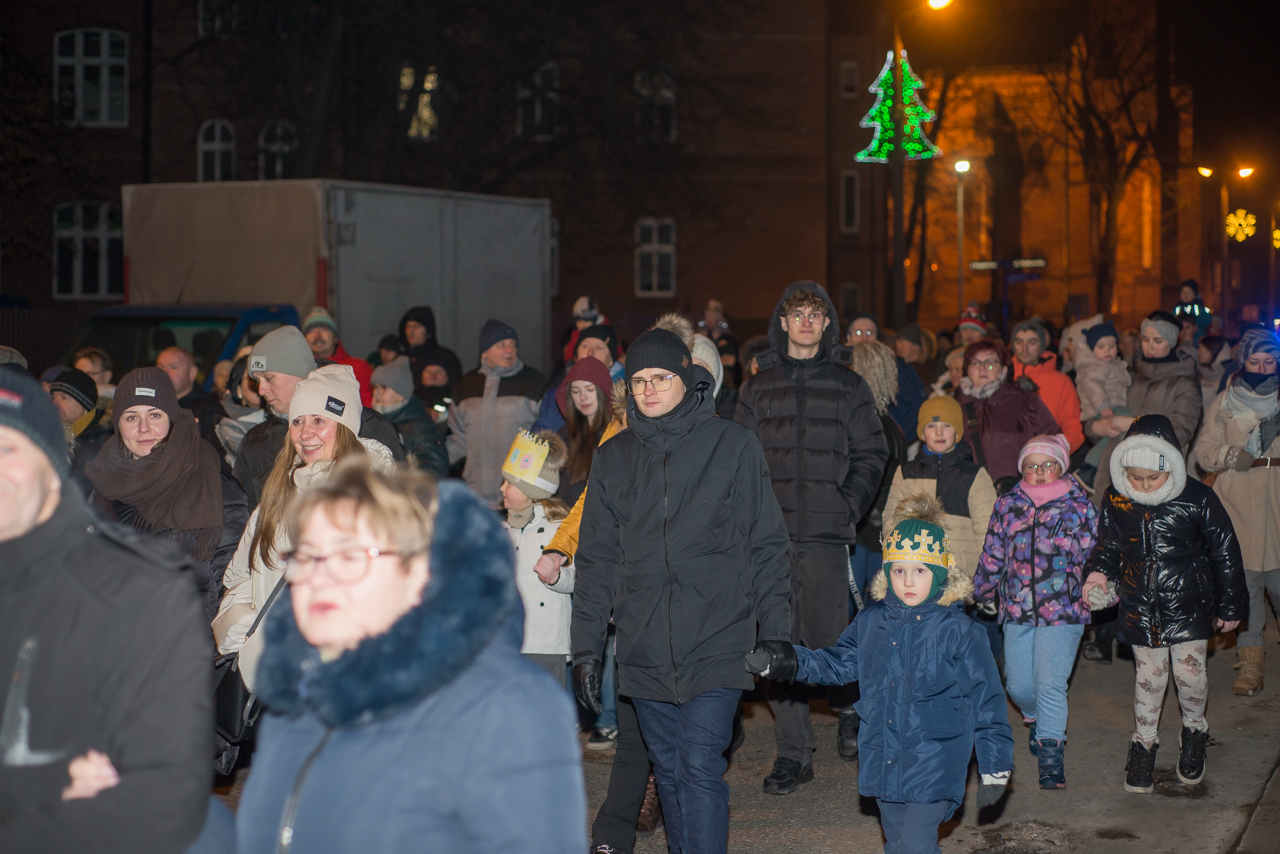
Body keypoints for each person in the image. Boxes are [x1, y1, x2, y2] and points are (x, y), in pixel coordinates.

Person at [224, 465, 586, 853]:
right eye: (308, 554)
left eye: (348, 555)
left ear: (414, 574)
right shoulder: (300, 692)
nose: (319, 577)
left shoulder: (501, 707)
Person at [573, 328, 790, 854]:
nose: (648, 390)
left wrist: (778, 632)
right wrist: (585, 649)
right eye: (639, 381)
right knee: (668, 770)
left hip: (717, 634)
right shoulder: (615, 456)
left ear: (686, 378)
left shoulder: (731, 444)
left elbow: (767, 542)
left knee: (697, 768)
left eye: (660, 378)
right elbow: (597, 557)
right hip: (644, 640)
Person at [0, 369, 211, 852]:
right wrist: (43, 783)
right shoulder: (105, 484)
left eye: (9, 448)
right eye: (131, 417)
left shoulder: (137, 592)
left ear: (52, 467)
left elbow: (161, 793)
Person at [748, 495, 1014, 854]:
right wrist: (789, 662)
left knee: (916, 845)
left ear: (937, 574)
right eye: (898, 569)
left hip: (935, 757)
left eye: (920, 570)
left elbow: (987, 699)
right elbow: (839, 662)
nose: (907, 581)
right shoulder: (872, 621)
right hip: (884, 753)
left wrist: (995, 762)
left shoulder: (961, 631)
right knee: (896, 842)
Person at [737, 281, 888, 791]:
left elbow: (873, 452)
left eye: (814, 314)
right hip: (770, 540)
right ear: (781, 322)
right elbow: (738, 462)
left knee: (833, 646)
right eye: (795, 313)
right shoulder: (757, 387)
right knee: (777, 646)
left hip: (825, 538)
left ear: (827, 325)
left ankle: (867, 731)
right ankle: (794, 754)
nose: (805, 321)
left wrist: (847, 505)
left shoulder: (849, 386)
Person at [1083, 415, 1247, 792]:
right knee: (1149, 679)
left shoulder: (1197, 497)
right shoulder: (1117, 498)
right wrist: (1098, 575)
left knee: (1190, 677)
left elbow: (1224, 551)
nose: (1142, 485)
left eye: (1151, 478)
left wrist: (1231, 605)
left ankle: (1194, 731)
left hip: (1189, 605)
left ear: (1169, 464)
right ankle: (1143, 742)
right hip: (1141, 606)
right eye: (1135, 477)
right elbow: (1107, 547)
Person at [214, 365, 396, 689]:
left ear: (344, 428)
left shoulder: (371, 500)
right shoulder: (276, 496)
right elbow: (238, 577)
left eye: (319, 420)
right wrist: (251, 640)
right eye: (297, 421)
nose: (305, 433)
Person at [974, 434, 1096, 789]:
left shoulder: (1080, 508)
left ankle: (1051, 759)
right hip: (1018, 609)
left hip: (1065, 611)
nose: (1039, 472)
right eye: (1031, 466)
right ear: (1021, 470)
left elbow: (1098, 555)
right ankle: (1036, 719)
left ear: (1061, 467)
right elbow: (994, 551)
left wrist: (1102, 586)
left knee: (1050, 684)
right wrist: (980, 586)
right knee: (1019, 684)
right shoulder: (1008, 505)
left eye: (1047, 465)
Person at [85, 368, 249, 622]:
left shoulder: (217, 489)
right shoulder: (103, 487)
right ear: (118, 426)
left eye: (154, 415)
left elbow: (234, 591)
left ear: (171, 419)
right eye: (131, 417)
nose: (143, 428)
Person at [1193, 329, 1280, 696]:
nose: (1262, 368)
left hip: (1277, 501)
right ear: (1243, 362)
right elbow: (1203, 449)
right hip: (1237, 502)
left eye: (1269, 361)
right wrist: (1227, 455)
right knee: (1244, 590)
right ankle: (1251, 666)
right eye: (1254, 362)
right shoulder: (1226, 400)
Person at [233, 326, 404, 508]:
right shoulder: (255, 441)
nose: (261, 390)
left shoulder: (368, 426)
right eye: (257, 381)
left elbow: (403, 502)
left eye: (269, 377)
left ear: (298, 373)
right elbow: (242, 514)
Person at [1086, 310, 1201, 506]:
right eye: (1145, 339)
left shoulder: (1184, 384)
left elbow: (1180, 432)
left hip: (1158, 479)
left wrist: (1132, 424)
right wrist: (1095, 428)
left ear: (1172, 341)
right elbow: (1100, 410)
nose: (1149, 347)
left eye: (1158, 341)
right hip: (1115, 475)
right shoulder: (1130, 375)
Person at [884, 396, 996, 581]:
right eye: (931, 426)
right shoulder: (905, 474)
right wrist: (898, 562)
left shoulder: (974, 475)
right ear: (921, 433)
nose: (938, 432)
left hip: (960, 577)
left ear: (958, 432)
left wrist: (983, 578)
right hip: (914, 575)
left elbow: (987, 530)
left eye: (946, 426)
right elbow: (892, 522)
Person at [500, 430, 574, 680]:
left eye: (510, 483)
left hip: (544, 643)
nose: (502, 488)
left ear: (531, 489)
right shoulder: (501, 531)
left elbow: (579, 578)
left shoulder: (560, 529)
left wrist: (556, 577)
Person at [446, 319, 546, 506]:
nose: (510, 350)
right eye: (501, 345)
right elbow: (458, 440)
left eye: (513, 345)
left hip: (519, 496)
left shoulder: (534, 383)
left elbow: (545, 437)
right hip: (474, 494)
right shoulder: (466, 386)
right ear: (484, 351)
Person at [847, 339, 910, 604]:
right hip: (874, 530)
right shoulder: (884, 423)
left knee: (860, 607)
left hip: (866, 532)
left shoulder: (867, 424)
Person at [955, 339, 1061, 485]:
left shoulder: (1025, 400)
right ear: (966, 370)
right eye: (975, 363)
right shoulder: (955, 406)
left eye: (990, 363)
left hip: (1020, 493)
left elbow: (1053, 443)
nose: (982, 368)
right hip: (971, 496)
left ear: (1004, 369)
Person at [845, 313, 926, 441]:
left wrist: (897, 438)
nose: (864, 338)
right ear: (849, 337)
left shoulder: (898, 368)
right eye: (859, 332)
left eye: (870, 333)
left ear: (877, 338)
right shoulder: (838, 368)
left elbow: (917, 407)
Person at [1010, 319, 1085, 454]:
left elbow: (1073, 428)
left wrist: (1056, 451)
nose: (1024, 348)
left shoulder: (1061, 382)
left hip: (1045, 459)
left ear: (1042, 346)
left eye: (1032, 342)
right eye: (1019, 342)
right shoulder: (1003, 377)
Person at [532, 324, 623, 433]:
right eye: (585, 346)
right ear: (575, 356)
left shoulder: (627, 398)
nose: (590, 352)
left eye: (599, 347)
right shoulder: (556, 396)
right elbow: (537, 439)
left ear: (611, 360)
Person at [1073, 323, 1132, 487]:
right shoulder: (1092, 366)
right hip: (1102, 409)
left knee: (1112, 436)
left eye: (1112, 346)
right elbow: (1092, 387)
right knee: (1130, 425)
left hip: (1111, 407)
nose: (1107, 350)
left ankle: (1088, 469)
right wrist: (1103, 406)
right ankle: (1090, 468)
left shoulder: (1112, 364)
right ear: (1092, 348)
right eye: (1101, 346)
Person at [370, 355, 448, 476]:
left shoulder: (420, 426)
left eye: (382, 388)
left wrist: (404, 487)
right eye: (375, 387)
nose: (376, 393)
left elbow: (435, 467)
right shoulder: (370, 422)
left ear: (401, 394)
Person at [553, 355, 613, 507]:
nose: (582, 397)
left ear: (603, 391)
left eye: (589, 389)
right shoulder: (563, 435)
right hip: (563, 522)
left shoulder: (616, 436)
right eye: (575, 391)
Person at [49, 367, 113, 495]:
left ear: (85, 404)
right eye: (53, 397)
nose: (55, 403)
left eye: (64, 397)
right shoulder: (50, 434)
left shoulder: (104, 441)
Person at [301, 306, 374, 406]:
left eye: (323, 329)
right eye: (311, 331)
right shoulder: (301, 372)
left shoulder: (358, 368)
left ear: (335, 338)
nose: (317, 336)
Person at [156, 346, 225, 447]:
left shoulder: (209, 409)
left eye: (173, 367)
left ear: (192, 373)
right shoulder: (145, 405)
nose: (165, 373)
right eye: (160, 367)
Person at [215, 355, 268, 469]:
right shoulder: (223, 429)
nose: (261, 385)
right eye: (253, 380)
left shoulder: (286, 418)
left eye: (267, 377)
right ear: (238, 390)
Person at [399, 305, 463, 392]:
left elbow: (457, 388)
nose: (411, 331)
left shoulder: (445, 357)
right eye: (408, 326)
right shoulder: (401, 359)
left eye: (416, 326)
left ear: (428, 330)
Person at [691, 333, 738, 419]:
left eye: (700, 366)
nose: (695, 372)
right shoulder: (675, 404)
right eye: (689, 367)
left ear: (714, 370)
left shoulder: (734, 404)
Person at [697, 298, 741, 387]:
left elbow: (730, 364)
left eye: (713, 313)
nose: (709, 316)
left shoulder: (726, 337)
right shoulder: (701, 333)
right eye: (708, 313)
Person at [894, 322, 938, 387]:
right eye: (897, 343)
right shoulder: (899, 367)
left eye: (902, 342)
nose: (898, 346)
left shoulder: (931, 371)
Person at [72, 345, 115, 409]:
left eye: (89, 374)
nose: (81, 380)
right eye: (77, 375)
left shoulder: (118, 404)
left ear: (106, 376)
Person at [1197, 334, 1233, 412]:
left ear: (1211, 352)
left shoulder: (1228, 376)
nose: (1198, 352)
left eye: (1201, 349)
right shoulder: (1200, 373)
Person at [1173, 279, 1212, 345]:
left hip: (1197, 340)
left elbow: (1207, 320)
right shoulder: (1178, 308)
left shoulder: (1198, 308)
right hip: (1180, 340)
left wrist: (1193, 321)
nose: (1186, 295)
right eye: (1183, 292)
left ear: (1195, 294)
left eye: (1189, 292)